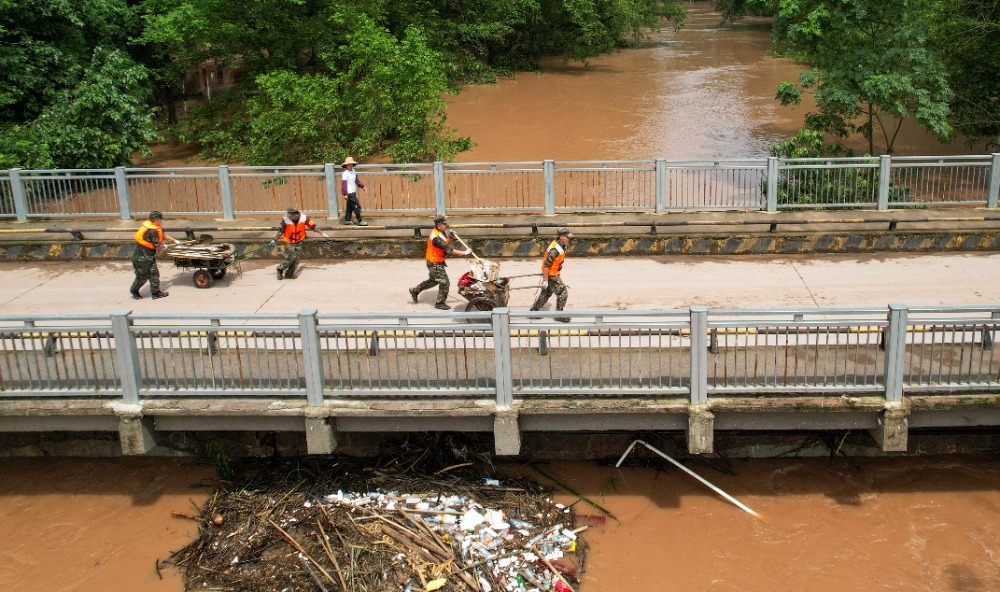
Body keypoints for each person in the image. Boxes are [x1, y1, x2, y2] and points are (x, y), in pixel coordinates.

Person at [409, 215, 471, 309]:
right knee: (444, 282)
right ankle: (440, 303)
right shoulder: (436, 237)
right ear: (438, 225)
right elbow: (448, 249)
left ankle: (415, 290)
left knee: (434, 280)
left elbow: (445, 243)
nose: (447, 225)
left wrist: (450, 238)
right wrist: (464, 253)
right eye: (444, 224)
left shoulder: (441, 232)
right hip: (434, 262)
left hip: (437, 261)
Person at [130, 210, 180, 300]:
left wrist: (174, 240)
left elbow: (163, 235)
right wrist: (164, 246)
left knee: (154, 274)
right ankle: (134, 290)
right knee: (142, 276)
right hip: (141, 257)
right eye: (160, 220)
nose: (161, 221)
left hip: (149, 256)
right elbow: (157, 246)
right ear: (157, 220)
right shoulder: (152, 231)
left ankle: (155, 293)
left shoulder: (155, 226)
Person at [269, 206, 329, 280]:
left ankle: (289, 274)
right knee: (290, 257)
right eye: (289, 216)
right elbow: (280, 231)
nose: (289, 217)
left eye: (291, 216)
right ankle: (280, 269)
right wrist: (274, 240)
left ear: (296, 215)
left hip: (299, 241)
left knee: (297, 259)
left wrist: (323, 234)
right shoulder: (285, 220)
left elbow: (314, 227)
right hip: (289, 241)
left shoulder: (304, 218)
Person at [530, 227, 573, 322]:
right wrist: (545, 279)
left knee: (546, 293)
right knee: (563, 292)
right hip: (551, 275)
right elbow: (546, 264)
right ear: (561, 237)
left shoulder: (562, 245)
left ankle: (533, 311)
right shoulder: (555, 249)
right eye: (567, 237)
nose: (569, 239)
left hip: (553, 273)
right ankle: (559, 315)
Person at [341, 156, 368, 226]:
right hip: (350, 193)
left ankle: (347, 220)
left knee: (349, 207)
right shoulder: (345, 174)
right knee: (357, 207)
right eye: (349, 165)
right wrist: (345, 194)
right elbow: (344, 184)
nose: (350, 166)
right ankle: (359, 220)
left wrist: (363, 187)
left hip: (353, 192)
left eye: (351, 164)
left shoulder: (353, 171)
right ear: (346, 165)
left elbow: (357, 181)